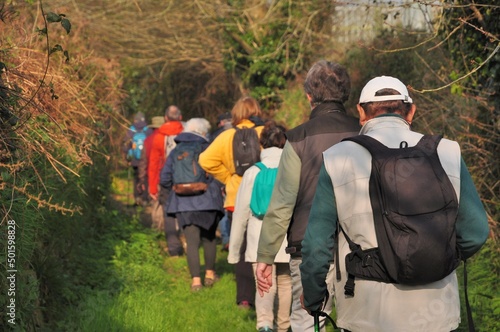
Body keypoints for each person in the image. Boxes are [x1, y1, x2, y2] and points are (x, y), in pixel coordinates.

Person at [299, 76, 490, 331]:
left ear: (360, 112)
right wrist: (434, 256)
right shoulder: (448, 152)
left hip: (365, 315)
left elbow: (316, 246)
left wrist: (313, 298)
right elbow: (476, 233)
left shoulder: (337, 158)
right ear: (410, 111)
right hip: (437, 313)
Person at [255, 60, 361, 331]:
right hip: (361, 246)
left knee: (307, 321)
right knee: (360, 322)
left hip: (308, 248)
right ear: (346, 94)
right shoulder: (365, 132)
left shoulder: (299, 138)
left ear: (309, 96)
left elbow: (282, 205)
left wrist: (265, 256)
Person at [199, 96, 265, 309]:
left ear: (236, 113)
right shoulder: (265, 132)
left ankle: (245, 298)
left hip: (236, 199)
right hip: (265, 198)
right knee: (266, 247)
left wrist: (228, 177)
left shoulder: (226, 136)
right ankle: (267, 296)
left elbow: (205, 160)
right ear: (256, 110)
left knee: (243, 249)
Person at [228, 121, 291, 332]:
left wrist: (234, 252)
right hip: (287, 236)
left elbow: (241, 214)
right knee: (285, 283)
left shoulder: (253, 172)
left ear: (262, 143)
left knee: (264, 283)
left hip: (259, 237)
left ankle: (264, 323)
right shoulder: (292, 168)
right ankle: (285, 326)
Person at [160, 118, 225, 291]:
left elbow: (164, 178)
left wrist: (176, 188)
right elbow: (218, 174)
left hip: (183, 203)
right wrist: (213, 188)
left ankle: (196, 281)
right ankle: (210, 274)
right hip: (207, 202)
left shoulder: (176, 151)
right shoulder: (208, 148)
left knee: (192, 241)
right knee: (209, 237)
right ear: (204, 133)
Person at [149, 105, 184, 256]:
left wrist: (152, 187)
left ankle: (174, 247)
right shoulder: (186, 133)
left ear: (165, 118)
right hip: (185, 178)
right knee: (184, 209)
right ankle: (188, 240)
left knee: (168, 212)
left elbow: (154, 163)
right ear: (180, 118)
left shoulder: (159, 136)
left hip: (166, 180)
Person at [138, 115, 165, 230]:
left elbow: (143, 161)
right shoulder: (168, 138)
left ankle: (157, 226)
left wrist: (141, 178)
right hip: (167, 175)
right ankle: (166, 226)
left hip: (152, 176)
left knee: (155, 202)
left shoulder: (148, 140)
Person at [123, 111, 152, 206]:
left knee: (136, 179)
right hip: (146, 160)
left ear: (135, 119)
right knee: (145, 178)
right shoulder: (147, 130)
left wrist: (127, 158)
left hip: (135, 161)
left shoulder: (131, 130)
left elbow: (126, 145)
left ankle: (137, 198)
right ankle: (145, 198)